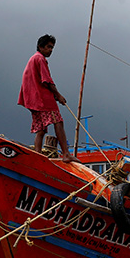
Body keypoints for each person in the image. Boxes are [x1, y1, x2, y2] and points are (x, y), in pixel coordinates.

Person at [17, 34, 77, 162]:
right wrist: (58, 95)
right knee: (58, 121)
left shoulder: (32, 59)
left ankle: (37, 156)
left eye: (52, 48)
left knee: (41, 129)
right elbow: (47, 80)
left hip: (33, 100)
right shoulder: (40, 59)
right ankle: (66, 154)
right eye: (48, 47)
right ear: (41, 46)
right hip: (42, 99)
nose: (50, 50)